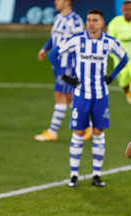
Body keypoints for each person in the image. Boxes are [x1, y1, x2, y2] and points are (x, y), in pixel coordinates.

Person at [48, 8, 128, 187]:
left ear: (102, 23)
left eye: (95, 20)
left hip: (100, 96)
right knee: (78, 133)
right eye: (89, 20)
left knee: (98, 133)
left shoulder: (108, 42)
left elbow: (124, 58)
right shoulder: (77, 39)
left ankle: (96, 174)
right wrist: (63, 76)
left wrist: (112, 76)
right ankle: (74, 175)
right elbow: (53, 54)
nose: (91, 23)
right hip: (80, 95)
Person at [34, 0, 92, 141]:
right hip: (57, 63)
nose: (55, 2)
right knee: (69, 97)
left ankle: (52, 132)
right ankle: (88, 126)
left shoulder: (75, 20)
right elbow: (54, 37)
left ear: (66, 2)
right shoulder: (58, 18)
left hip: (68, 65)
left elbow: (78, 41)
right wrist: (44, 49)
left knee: (59, 95)